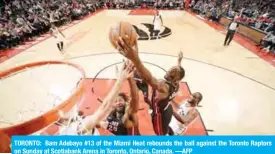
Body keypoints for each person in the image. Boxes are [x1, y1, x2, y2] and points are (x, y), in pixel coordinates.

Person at [116, 38, 185, 135]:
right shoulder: (176, 83)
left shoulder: (164, 87)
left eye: (172, 73)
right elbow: (178, 72)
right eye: (171, 69)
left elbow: (149, 78)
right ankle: (169, 132)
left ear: (175, 79)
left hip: (161, 115)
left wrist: (135, 58)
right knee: (165, 127)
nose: (169, 72)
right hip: (167, 108)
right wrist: (179, 62)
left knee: (160, 134)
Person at [56, 61, 134, 135]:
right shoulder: (78, 128)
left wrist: (99, 123)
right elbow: (105, 106)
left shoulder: (65, 129)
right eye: (66, 109)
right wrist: (120, 80)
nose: (70, 108)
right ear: (61, 118)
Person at [100, 62, 140, 135]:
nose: (118, 102)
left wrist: (130, 79)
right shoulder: (111, 115)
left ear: (125, 102)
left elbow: (135, 98)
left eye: (120, 100)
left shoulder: (131, 113)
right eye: (116, 101)